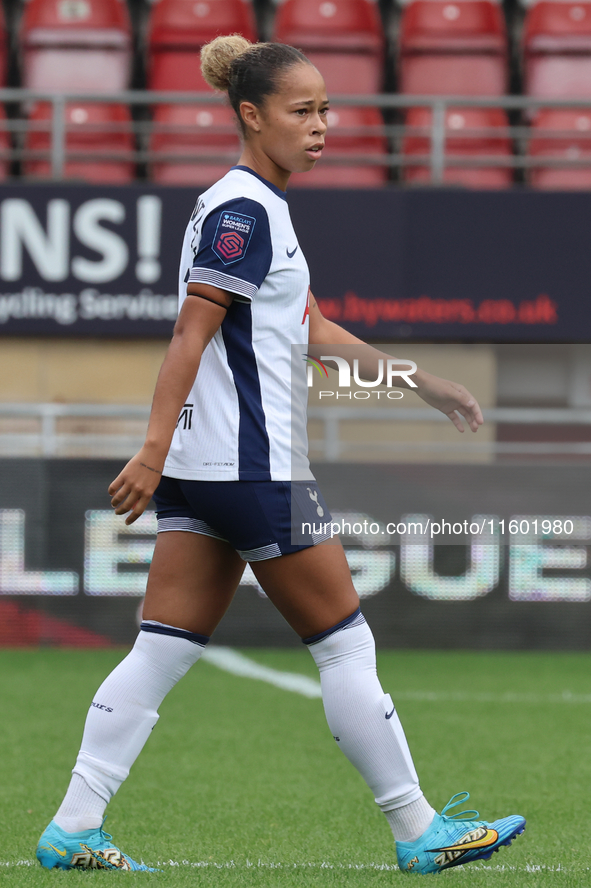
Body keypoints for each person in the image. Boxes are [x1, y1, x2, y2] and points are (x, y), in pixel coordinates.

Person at [36, 35, 525, 875]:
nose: (322, 125)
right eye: (302, 111)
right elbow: (191, 332)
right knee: (343, 645)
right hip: (250, 468)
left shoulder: (255, 206)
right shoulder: (243, 211)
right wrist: (148, 450)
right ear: (250, 115)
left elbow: (311, 332)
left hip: (210, 466)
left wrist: (423, 383)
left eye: (326, 109)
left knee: (163, 645)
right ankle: (416, 832)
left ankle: (72, 827)